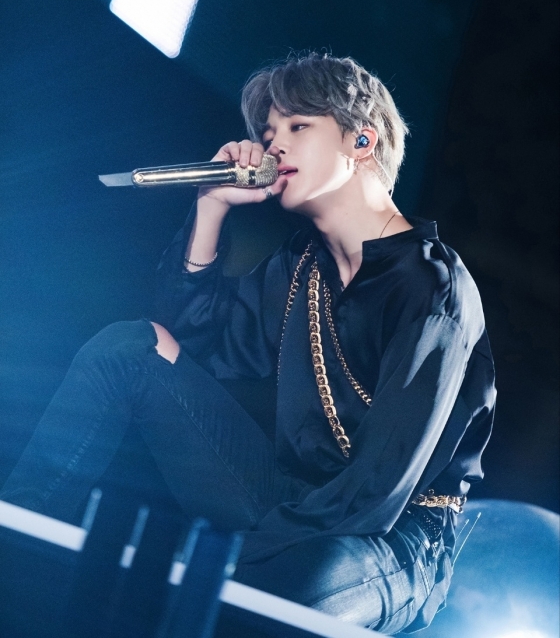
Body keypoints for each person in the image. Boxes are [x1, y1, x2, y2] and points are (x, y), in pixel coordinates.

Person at [1, 53, 496, 633]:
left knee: (296, 585)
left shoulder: (430, 286)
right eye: (268, 132)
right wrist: (210, 205)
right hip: (289, 501)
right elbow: (194, 342)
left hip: (389, 540)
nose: (273, 145)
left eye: (298, 126)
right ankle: (15, 543)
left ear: (361, 141)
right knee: (129, 350)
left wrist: (218, 563)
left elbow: (375, 493)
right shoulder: (302, 264)